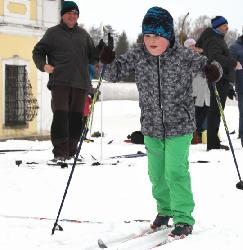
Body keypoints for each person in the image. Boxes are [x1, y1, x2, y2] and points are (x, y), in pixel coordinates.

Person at [98, 6, 222, 239]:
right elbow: (113, 73)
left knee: (175, 171)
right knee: (157, 174)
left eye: (157, 36)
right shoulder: (138, 54)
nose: (151, 41)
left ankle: (183, 217)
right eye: (147, 35)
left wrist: (213, 70)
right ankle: (164, 210)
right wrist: (105, 61)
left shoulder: (183, 55)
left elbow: (211, 68)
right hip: (152, 126)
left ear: (168, 36)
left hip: (180, 125)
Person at [32, 1, 99, 163]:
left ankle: (72, 151)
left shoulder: (83, 35)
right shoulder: (53, 33)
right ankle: (60, 152)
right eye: (69, 13)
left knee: (77, 118)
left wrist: (102, 53)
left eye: (75, 14)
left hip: (80, 83)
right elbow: (38, 52)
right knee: (61, 116)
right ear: (62, 15)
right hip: (60, 81)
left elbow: (93, 56)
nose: (72, 16)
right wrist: (43, 65)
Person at [196, 16, 240, 151]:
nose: (227, 27)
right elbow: (215, 57)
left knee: (216, 111)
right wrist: (233, 63)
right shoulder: (213, 40)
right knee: (215, 111)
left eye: (227, 25)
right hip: (218, 79)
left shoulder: (216, 38)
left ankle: (214, 142)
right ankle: (213, 144)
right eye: (224, 25)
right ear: (217, 26)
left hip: (222, 79)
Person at [184, 38, 210, 144]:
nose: (194, 48)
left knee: (204, 111)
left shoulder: (201, 57)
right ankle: (194, 134)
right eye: (191, 46)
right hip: (192, 91)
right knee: (194, 113)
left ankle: (200, 133)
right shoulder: (185, 59)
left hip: (203, 91)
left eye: (194, 45)